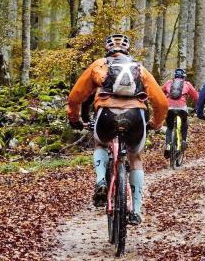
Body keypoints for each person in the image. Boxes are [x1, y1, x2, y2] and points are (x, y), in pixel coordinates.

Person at [67, 34, 168, 226]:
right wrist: (155, 123)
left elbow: (75, 96)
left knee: (101, 143)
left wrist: (74, 119)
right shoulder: (139, 68)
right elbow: (161, 102)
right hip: (135, 116)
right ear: (127, 50)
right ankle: (136, 211)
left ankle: (101, 181)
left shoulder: (99, 65)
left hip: (106, 114)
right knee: (135, 158)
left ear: (107, 49)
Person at [161, 68, 199, 158]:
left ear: (174, 76)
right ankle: (183, 141)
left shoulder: (168, 83)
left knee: (169, 127)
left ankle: (168, 146)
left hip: (169, 108)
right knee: (185, 123)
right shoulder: (187, 84)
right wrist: (197, 107)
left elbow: (159, 92)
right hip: (182, 108)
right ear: (184, 77)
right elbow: (197, 97)